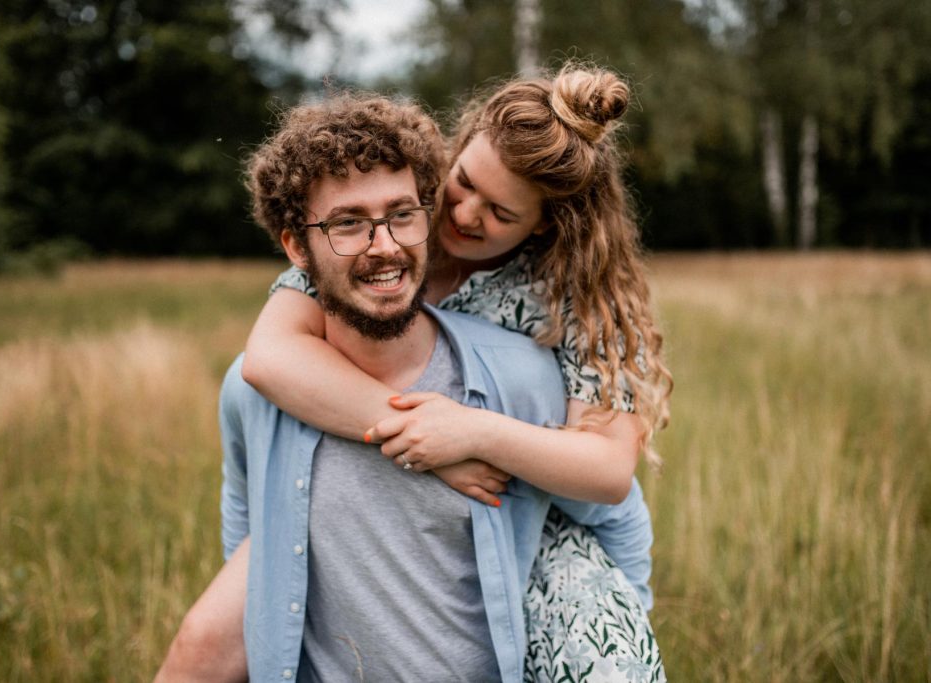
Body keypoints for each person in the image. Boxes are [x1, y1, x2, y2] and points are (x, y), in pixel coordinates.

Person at [156, 92, 658, 682]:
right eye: (463, 183)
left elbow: (608, 472)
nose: (466, 215)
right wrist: (427, 437)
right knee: (199, 650)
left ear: (545, 221)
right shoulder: (373, 228)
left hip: (540, 516)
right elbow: (266, 360)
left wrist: (470, 433)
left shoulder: (571, 301)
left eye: (501, 213)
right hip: (404, 468)